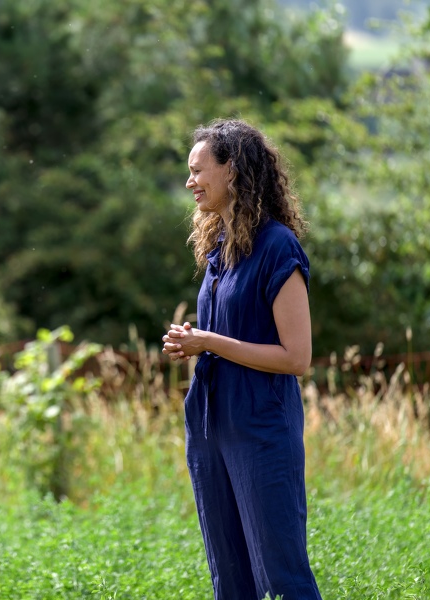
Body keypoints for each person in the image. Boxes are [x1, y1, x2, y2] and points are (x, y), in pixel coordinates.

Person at [163, 119, 322, 599]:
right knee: (230, 579)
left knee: (281, 575)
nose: (190, 182)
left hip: (260, 431)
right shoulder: (219, 248)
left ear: (232, 171)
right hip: (212, 428)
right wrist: (193, 341)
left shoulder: (277, 248)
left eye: (198, 170)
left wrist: (209, 341)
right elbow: (226, 333)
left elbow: (297, 357)